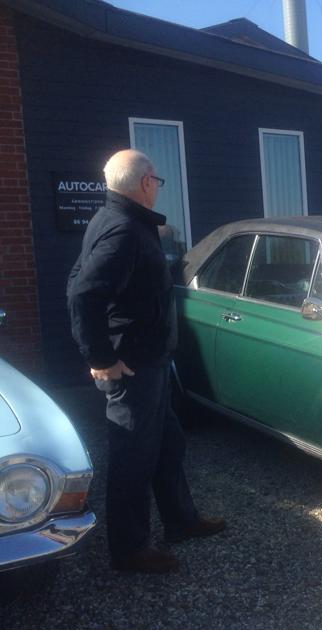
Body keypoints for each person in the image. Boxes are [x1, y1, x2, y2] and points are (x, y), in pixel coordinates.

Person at [67, 149, 225, 574]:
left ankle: (181, 521)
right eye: (157, 180)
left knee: (168, 444)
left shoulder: (118, 221)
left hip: (150, 363)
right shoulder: (123, 230)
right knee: (132, 458)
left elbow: (76, 278)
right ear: (144, 183)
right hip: (132, 367)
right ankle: (130, 550)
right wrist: (100, 357)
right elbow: (83, 293)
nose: (158, 187)